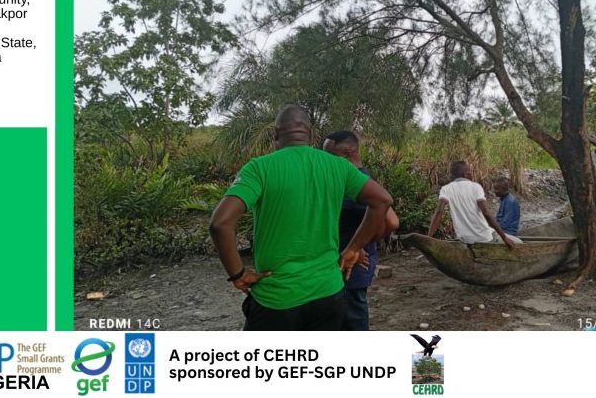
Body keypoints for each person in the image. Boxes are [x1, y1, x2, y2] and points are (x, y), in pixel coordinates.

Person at [208, 105, 393, 331]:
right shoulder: (339, 166)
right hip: (329, 293)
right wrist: (354, 247)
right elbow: (382, 201)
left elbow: (220, 223)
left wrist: (238, 274)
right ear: (310, 135)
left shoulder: (258, 168)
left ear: (275, 134)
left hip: (276, 299)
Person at [323, 130, 400, 331]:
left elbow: (392, 221)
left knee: (352, 320)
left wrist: (357, 246)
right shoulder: (354, 179)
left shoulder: (356, 180)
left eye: (330, 156)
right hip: (344, 265)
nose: (326, 161)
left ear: (347, 153)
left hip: (351, 268)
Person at [427, 161, 521, 248]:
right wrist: (504, 237)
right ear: (465, 174)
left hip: (464, 239)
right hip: (484, 238)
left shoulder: (446, 189)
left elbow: (439, 212)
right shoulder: (476, 187)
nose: (471, 174)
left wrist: (428, 238)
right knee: (519, 243)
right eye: (469, 172)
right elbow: (486, 213)